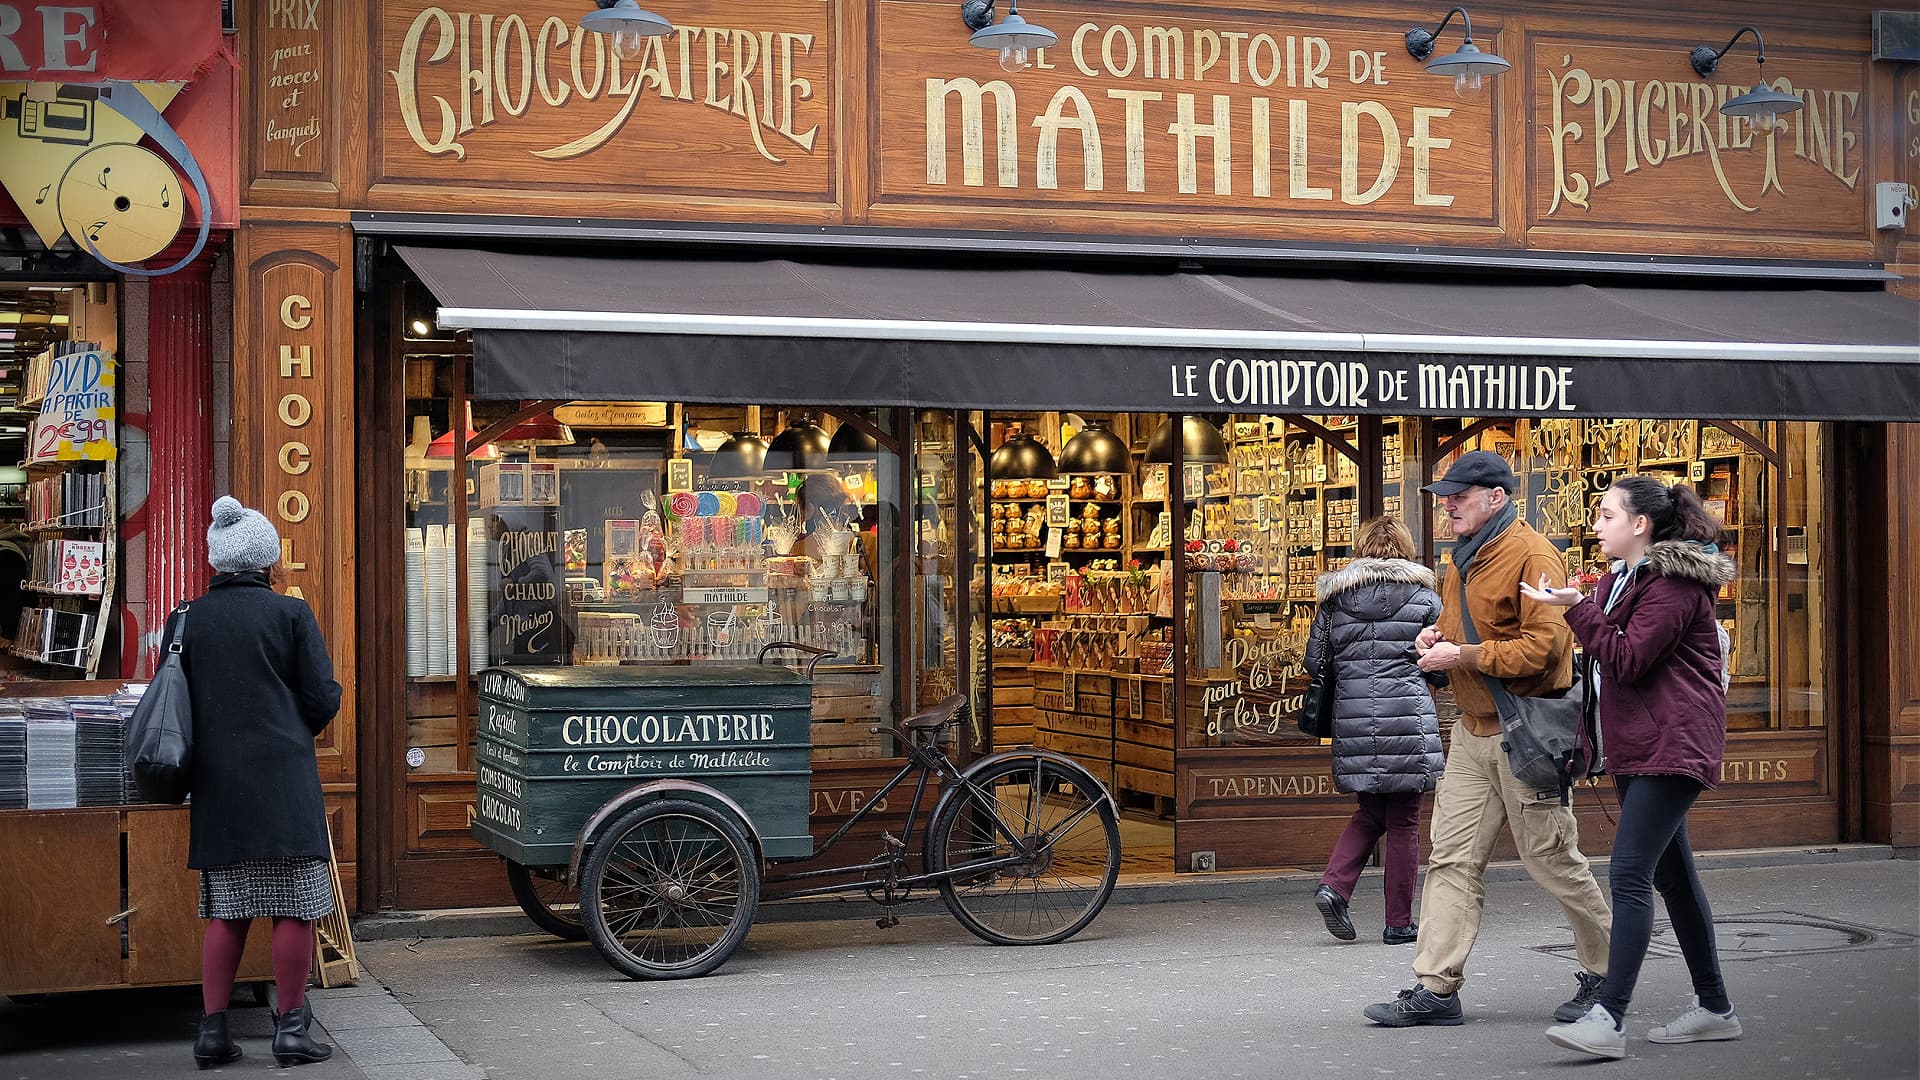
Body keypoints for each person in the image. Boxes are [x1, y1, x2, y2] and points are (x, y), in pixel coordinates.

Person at [1364, 450, 1612, 1028]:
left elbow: (1548, 650)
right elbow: (1464, 629)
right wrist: (1437, 637)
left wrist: (1465, 653)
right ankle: (1436, 987)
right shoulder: (1463, 558)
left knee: (1551, 859)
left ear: (1496, 498)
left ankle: (1608, 974)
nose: (1447, 505)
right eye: (1446, 496)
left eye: (1459, 495)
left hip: (1523, 735)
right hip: (1473, 734)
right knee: (1450, 860)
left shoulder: (1532, 554)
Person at [1526, 478, 1742, 1060]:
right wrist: (1584, 605)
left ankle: (1609, 1016)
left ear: (1640, 524)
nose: (1596, 524)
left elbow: (1625, 659)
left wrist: (1578, 612)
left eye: (1605, 514)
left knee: (1628, 873)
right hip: (1641, 743)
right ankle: (1715, 1008)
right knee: (1673, 877)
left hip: (1672, 743)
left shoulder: (1672, 583)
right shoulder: (1625, 578)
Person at [175, 496, 343, 1069]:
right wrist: (295, 724)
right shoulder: (290, 615)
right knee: (296, 907)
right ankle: (291, 1031)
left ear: (219, 561)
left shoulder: (188, 618)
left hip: (218, 782)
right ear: (267, 559)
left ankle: (212, 1033)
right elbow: (322, 697)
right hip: (284, 780)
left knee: (228, 910)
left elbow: (178, 703)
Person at [1308, 516, 1446, 947]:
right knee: (1404, 819)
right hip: (1407, 716)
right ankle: (1398, 921)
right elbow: (1439, 663)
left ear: (1360, 548)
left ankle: (1335, 886)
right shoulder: (1425, 599)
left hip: (1352, 717)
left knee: (1371, 811)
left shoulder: (1335, 600)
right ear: (1405, 549)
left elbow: (1316, 662)